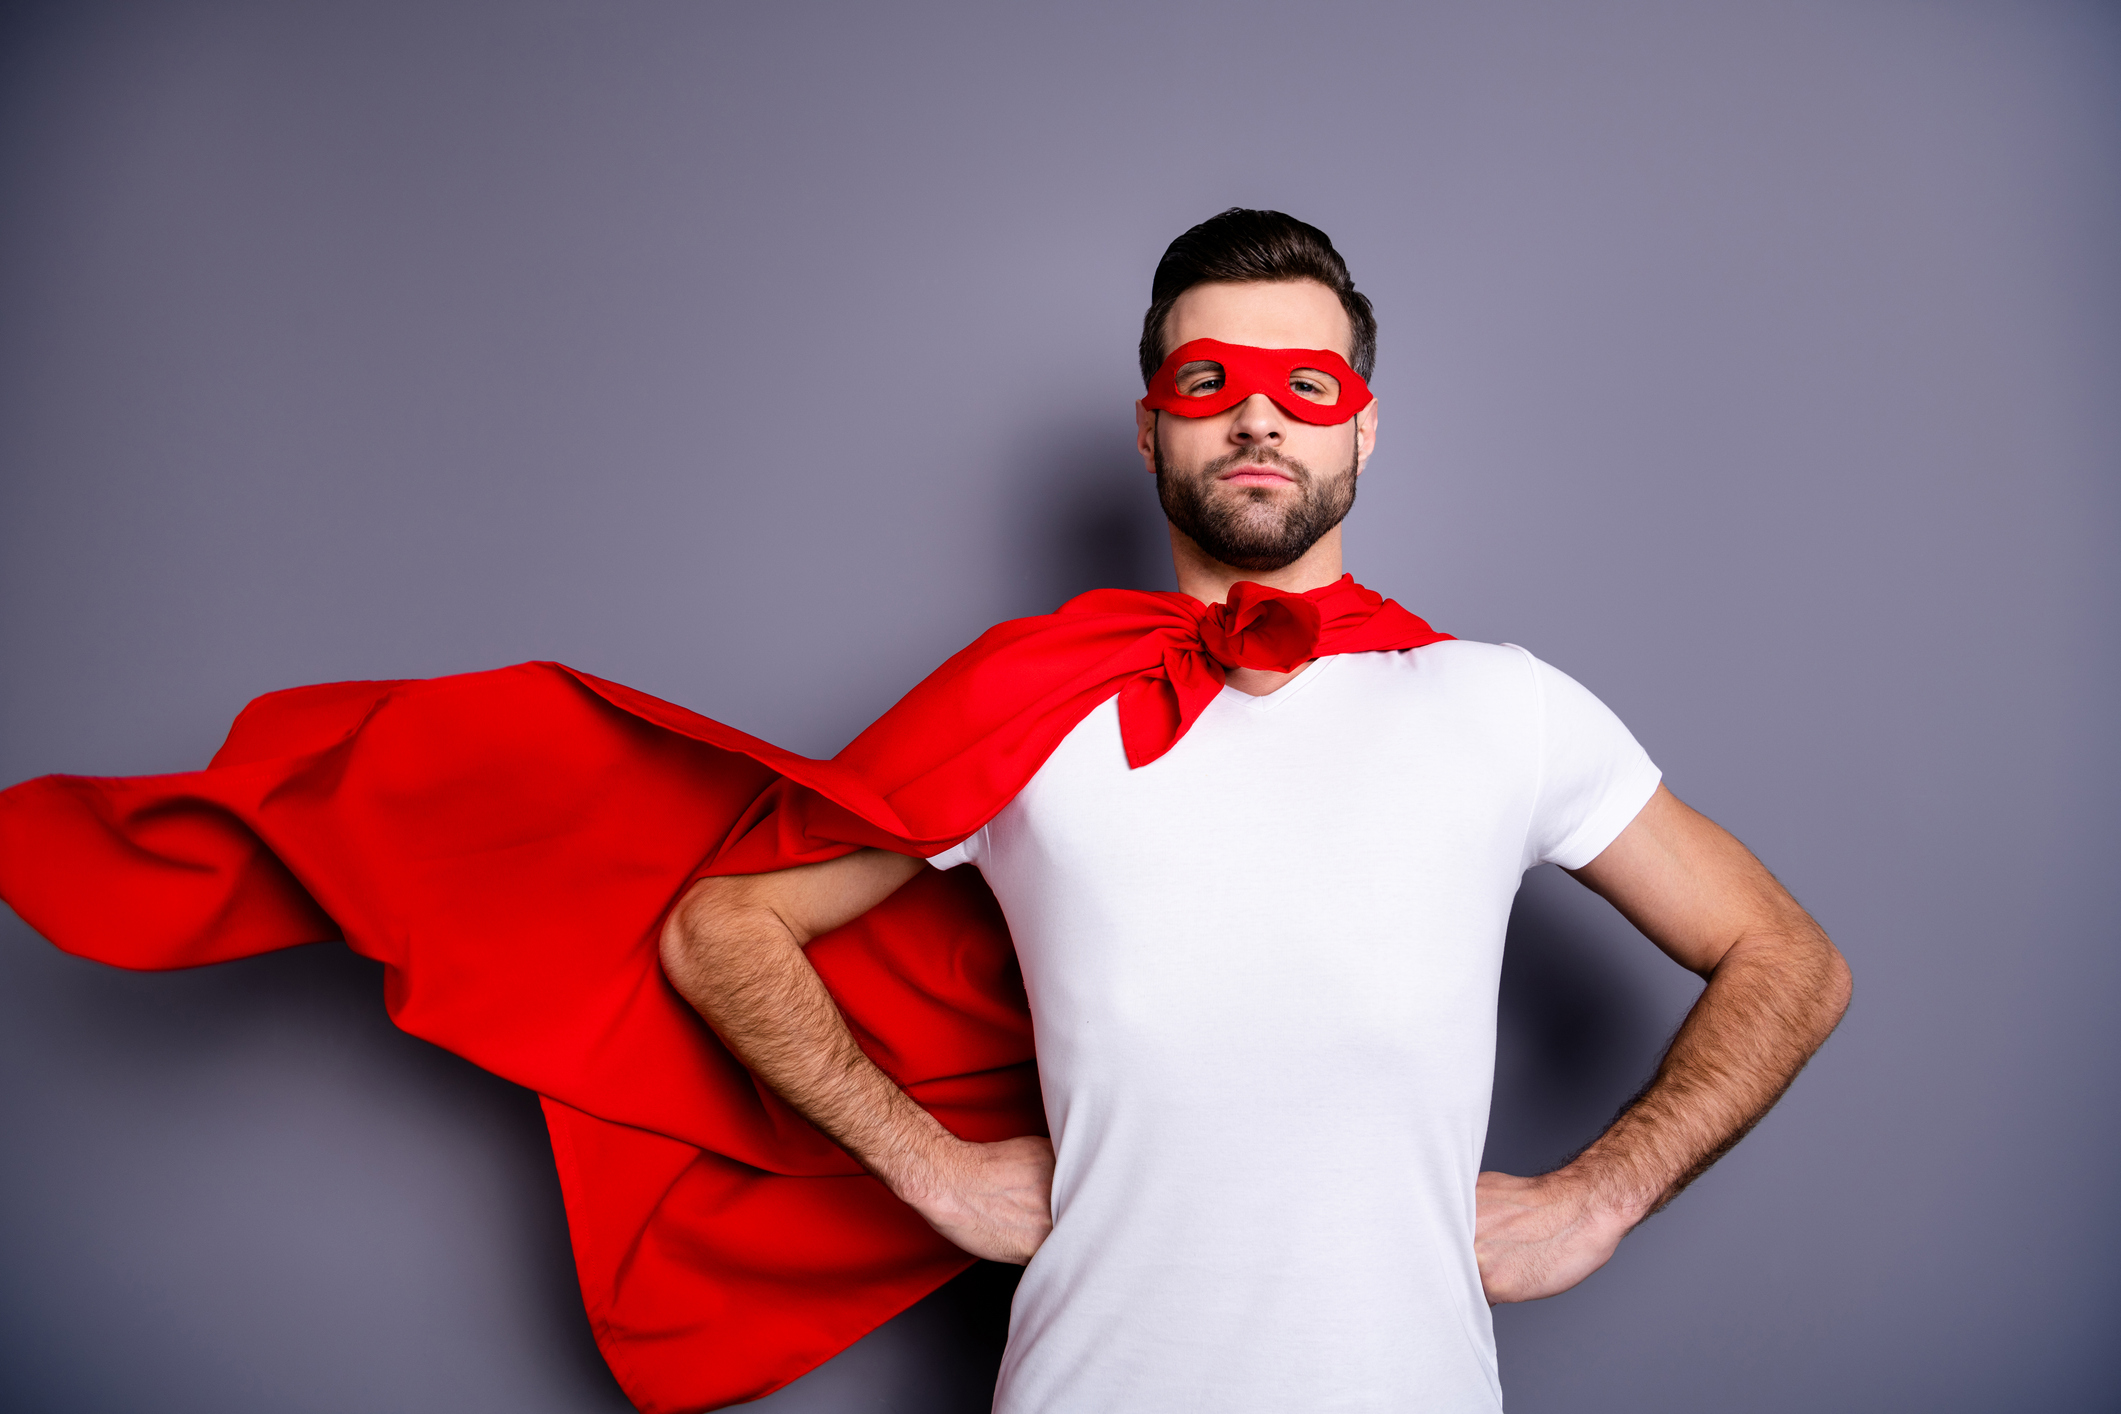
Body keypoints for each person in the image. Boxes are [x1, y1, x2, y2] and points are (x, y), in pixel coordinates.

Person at [657, 208, 1852, 1413]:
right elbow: (724, 928)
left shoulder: (1504, 708)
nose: (1259, 415)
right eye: (1209, 378)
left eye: (1307, 384)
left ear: (1364, 428)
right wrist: (931, 1172)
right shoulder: (1024, 701)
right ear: (1151, 426)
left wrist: (1602, 1196)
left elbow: (1787, 959)